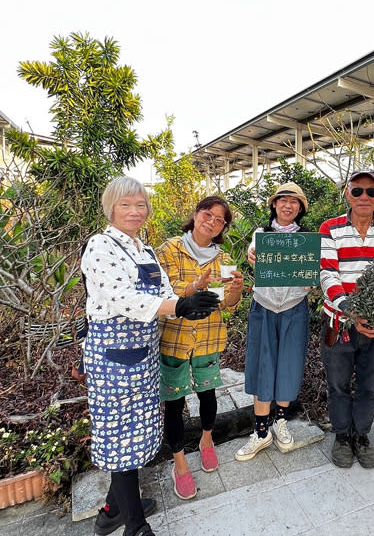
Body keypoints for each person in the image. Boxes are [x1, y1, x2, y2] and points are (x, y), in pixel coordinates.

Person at [82, 177, 220, 536]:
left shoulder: (144, 252)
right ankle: (135, 526)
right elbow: (120, 298)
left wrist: (189, 305)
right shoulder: (101, 246)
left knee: (137, 431)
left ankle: (114, 508)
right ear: (110, 207)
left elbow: (165, 294)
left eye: (140, 204)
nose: (134, 211)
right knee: (119, 434)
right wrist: (178, 304)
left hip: (143, 352)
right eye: (125, 204)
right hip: (113, 355)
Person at [157, 196, 244, 500]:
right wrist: (196, 286)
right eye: (208, 214)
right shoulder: (169, 249)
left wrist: (235, 291)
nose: (212, 221)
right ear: (195, 215)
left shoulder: (223, 257)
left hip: (208, 337)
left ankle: (207, 440)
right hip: (175, 339)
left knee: (208, 393)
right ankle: (179, 462)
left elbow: (227, 307)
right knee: (174, 402)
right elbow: (163, 292)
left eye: (219, 219)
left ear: (222, 227)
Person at [319, 169, 374, 469]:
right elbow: (327, 273)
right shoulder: (330, 228)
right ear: (347, 193)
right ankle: (342, 435)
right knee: (338, 384)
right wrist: (351, 313)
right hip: (338, 322)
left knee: (369, 385)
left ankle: (362, 435)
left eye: (371, 191)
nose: (364, 197)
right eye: (357, 191)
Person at [235, 183, 312, 461]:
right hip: (264, 306)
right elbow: (254, 255)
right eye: (283, 200)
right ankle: (261, 430)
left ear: (300, 208)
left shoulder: (307, 238)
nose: (288, 206)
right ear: (274, 204)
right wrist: (252, 256)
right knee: (261, 364)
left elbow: (313, 271)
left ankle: (280, 420)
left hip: (295, 306)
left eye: (294, 202)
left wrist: (311, 279)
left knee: (289, 363)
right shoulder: (262, 234)